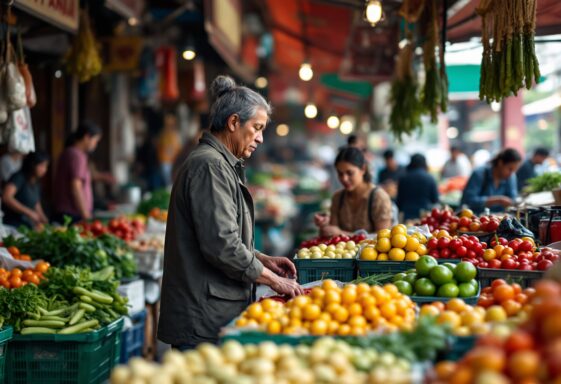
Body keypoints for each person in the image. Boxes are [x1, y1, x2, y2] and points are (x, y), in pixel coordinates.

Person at [158, 75, 303, 350]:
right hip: (203, 316)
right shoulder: (209, 167)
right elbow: (221, 245)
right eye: (257, 128)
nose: (261, 138)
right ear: (234, 122)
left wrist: (262, 259)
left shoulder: (221, 164)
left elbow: (221, 234)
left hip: (213, 310)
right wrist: (273, 280)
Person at [314, 147, 393, 235]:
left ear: (363, 169)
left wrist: (341, 233)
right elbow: (333, 233)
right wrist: (325, 224)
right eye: (340, 174)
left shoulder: (378, 198)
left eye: (350, 173)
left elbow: (383, 238)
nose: (344, 179)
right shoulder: (337, 198)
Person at [52, 121, 102, 223]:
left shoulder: (69, 152)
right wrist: (85, 215)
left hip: (67, 212)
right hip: (72, 214)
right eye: (95, 141)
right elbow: (76, 187)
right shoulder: (76, 156)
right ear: (87, 137)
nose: (95, 145)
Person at [461, 148, 522, 214]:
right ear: (500, 163)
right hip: (476, 218)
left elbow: (513, 199)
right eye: (510, 169)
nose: (511, 173)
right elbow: (468, 200)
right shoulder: (479, 174)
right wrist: (497, 200)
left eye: (514, 170)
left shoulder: (511, 176)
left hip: (499, 218)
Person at [2, 151, 49, 229]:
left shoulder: (36, 182)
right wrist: (29, 213)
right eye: (41, 165)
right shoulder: (18, 177)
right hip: (12, 224)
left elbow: (36, 203)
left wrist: (43, 219)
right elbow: (7, 197)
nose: (44, 169)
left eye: (46, 166)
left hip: (26, 224)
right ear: (32, 164)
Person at [397, 154, 439, 221]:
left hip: (407, 215)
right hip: (425, 216)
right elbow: (435, 200)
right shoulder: (430, 178)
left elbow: (399, 200)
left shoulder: (403, 178)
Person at [157, 113, 182, 186]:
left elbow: (178, 149)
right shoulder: (163, 134)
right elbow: (159, 148)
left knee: (172, 182)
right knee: (168, 182)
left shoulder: (175, 135)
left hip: (174, 162)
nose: (170, 126)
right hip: (165, 162)